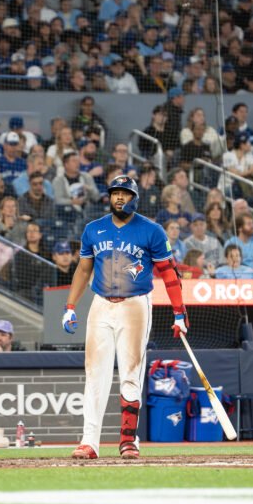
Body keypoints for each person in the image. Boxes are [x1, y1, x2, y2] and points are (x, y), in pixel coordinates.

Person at [63, 175, 188, 460]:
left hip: (135, 304)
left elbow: (169, 273)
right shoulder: (93, 230)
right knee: (95, 374)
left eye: (125, 193)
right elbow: (84, 270)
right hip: (101, 304)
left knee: (131, 373)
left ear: (135, 198)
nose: (119, 198)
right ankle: (89, 442)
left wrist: (179, 313)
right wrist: (70, 306)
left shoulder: (152, 231)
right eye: (115, 193)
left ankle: (128, 440)